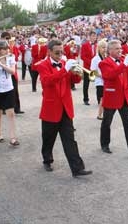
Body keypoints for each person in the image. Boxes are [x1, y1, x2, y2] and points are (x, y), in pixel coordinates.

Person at [37, 39, 92, 177]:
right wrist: (65, 69)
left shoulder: (63, 64)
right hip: (50, 109)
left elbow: (74, 81)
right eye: (57, 53)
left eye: (61, 52)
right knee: (48, 138)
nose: (60, 55)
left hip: (65, 108)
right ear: (49, 52)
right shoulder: (43, 65)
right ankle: (47, 159)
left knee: (70, 140)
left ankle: (77, 168)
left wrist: (77, 73)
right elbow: (47, 81)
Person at [1, 32, 24, 114]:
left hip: (12, 72)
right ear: (2, 38)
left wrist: (12, 52)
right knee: (4, 91)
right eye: (6, 39)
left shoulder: (12, 47)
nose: (8, 40)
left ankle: (17, 108)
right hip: (3, 73)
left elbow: (16, 58)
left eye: (9, 39)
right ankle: (4, 109)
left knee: (15, 90)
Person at [90, 38, 107, 120]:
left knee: (105, 98)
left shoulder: (107, 57)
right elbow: (92, 71)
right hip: (100, 81)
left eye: (105, 47)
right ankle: (100, 115)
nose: (105, 49)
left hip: (107, 81)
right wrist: (102, 75)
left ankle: (103, 113)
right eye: (103, 47)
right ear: (99, 48)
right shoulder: (95, 59)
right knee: (102, 98)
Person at [80, 31, 97, 105]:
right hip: (87, 67)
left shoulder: (97, 45)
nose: (94, 37)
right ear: (89, 37)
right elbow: (82, 56)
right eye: (92, 36)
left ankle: (99, 99)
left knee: (98, 83)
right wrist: (91, 63)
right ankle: (85, 99)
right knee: (86, 84)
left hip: (95, 68)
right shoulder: (85, 45)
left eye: (95, 36)